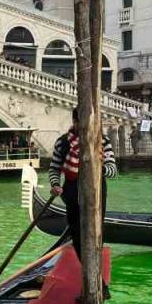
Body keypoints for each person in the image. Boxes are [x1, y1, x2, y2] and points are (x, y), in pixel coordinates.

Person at [49, 108, 118, 259]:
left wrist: (96, 167)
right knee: (77, 234)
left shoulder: (103, 141)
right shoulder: (63, 142)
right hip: (72, 192)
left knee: (96, 233)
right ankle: (88, 273)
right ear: (75, 122)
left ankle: (95, 276)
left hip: (96, 192)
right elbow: (54, 169)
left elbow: (113, 171)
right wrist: (55, 185)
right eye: (83, 122)